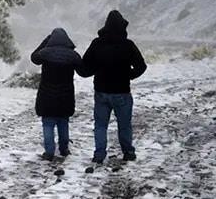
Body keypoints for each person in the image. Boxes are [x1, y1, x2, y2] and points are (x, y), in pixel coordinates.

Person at [79, 10, 147, 164]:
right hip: (122, 91)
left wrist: (80, 67)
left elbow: (85, 66)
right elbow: (141, 66)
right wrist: (128, 75)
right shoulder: (128, 45)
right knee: (124, 125)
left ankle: (99, 155)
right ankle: (128, 152)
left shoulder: (97, 44)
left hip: (101, 91)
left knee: (101, 125)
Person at [31, 28, 83, 161]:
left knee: (48, 124)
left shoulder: (45, 53)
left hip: (47, 97)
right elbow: (83, 70)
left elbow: (34, 58)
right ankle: (64, 149)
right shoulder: (72, 55)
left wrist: (45, 42)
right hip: (65, 97)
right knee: (63, 123)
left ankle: (49, 152)